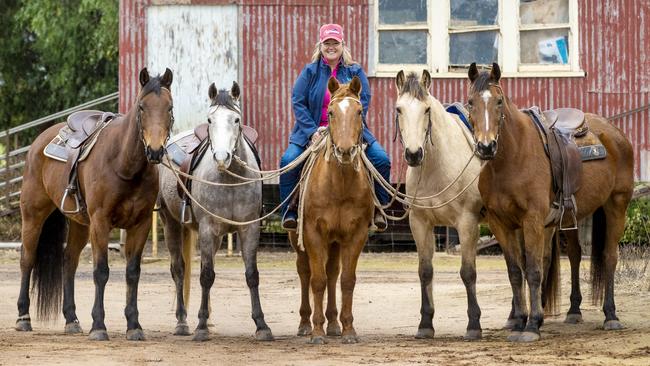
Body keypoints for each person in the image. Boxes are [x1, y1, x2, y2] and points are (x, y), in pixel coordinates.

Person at [279, 23, 391, 232]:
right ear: (320, 45)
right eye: (327, 43)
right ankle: (290, 211)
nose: (331, 47)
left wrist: (346, 125)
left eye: (335, 43)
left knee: (381, 160)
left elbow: (363, 100)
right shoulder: (310, 72)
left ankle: (378, 209)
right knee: (288, 161)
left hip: (349, 130)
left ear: (342, 45)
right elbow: (298, 101)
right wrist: (312, 131)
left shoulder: (354, 71)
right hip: (312, 131)